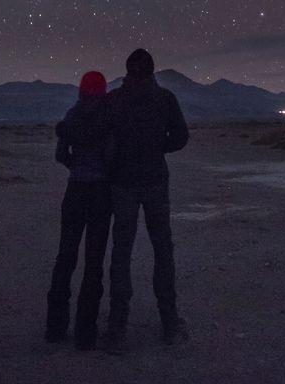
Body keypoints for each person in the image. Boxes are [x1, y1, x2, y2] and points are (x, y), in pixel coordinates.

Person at [105, 48, 189, 351]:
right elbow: (180, 137)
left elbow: (103, 137)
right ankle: (169, 322)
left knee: (121, 251)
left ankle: (117, 328)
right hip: (155, 181)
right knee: (162, 250)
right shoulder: (165, 99)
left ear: (127, 70)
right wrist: (157, 148)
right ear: (153, 71)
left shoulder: (113, 100)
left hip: (123, 183)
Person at [45, 70, 112, 350]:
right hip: (100, 193)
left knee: (66, 256)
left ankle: (56, 328)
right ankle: (86, 333)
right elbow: (112, 157)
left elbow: (61, 155)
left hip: (75, 191)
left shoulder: (71, 117)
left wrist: (77, 167)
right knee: (94, 263)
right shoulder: (108, 119)